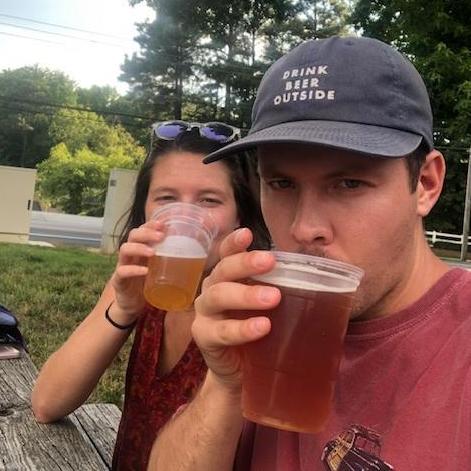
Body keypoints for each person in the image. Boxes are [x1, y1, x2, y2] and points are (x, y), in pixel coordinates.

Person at [147, 36, 471, 470]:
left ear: (426, 184)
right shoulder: (263, 321)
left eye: (349, 183)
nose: (304, 229)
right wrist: (224, 387)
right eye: (281, 184)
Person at [31, 122, 271, 470]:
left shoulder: (253, 313)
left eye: (209, 200)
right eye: (167, 198)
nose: (185, 216)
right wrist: (123, 308)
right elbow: (46, 401)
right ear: (145, 210)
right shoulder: (137, 286)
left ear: (239, 217)